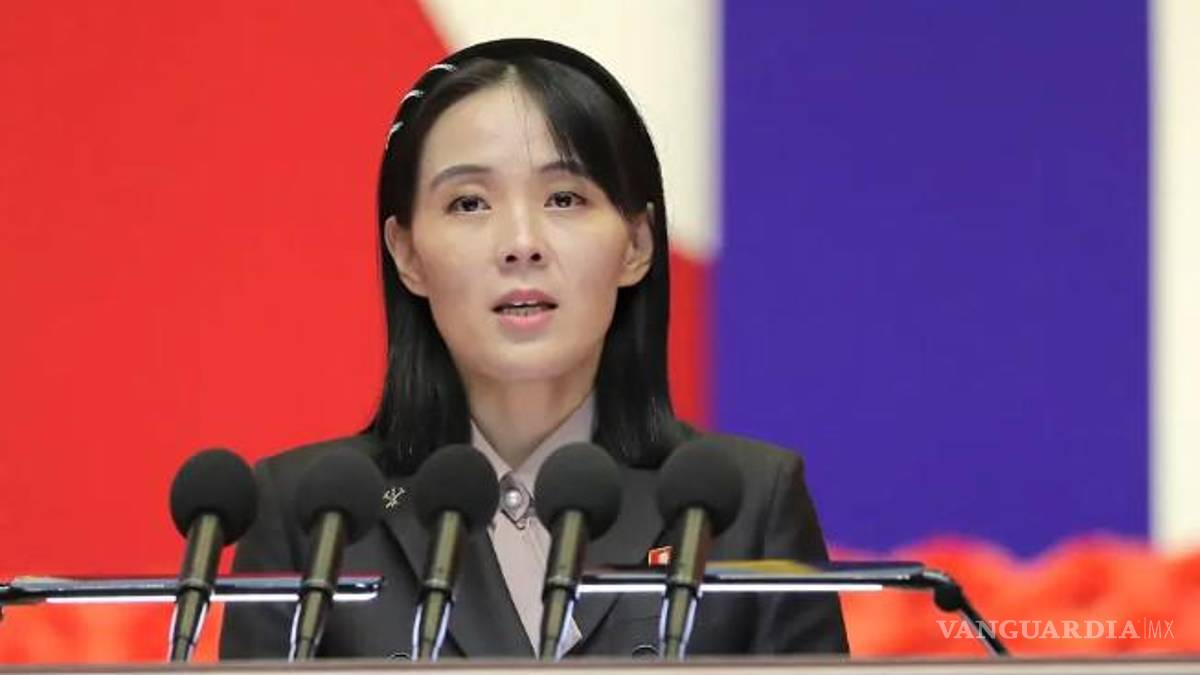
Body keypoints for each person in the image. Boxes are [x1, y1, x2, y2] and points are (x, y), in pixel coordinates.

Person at [220, 38, 848, 660]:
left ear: (636, 244)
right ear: (407, 253)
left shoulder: (750, 505)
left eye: (564, 199)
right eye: (469, 203)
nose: (521, 243)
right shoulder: (311, 515)